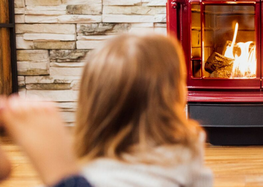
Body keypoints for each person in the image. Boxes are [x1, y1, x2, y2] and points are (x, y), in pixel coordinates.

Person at [0, 33, 213, 187]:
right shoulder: (187, 146)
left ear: (92, 103)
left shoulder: (100, 176)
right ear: (173, 99)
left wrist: (59, 171)